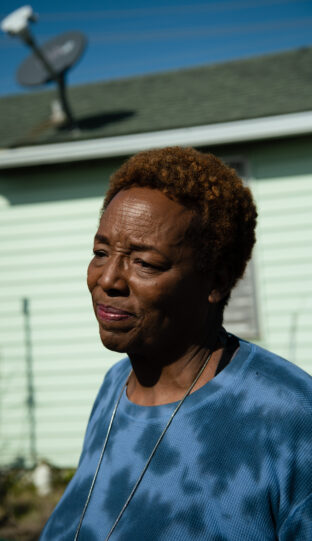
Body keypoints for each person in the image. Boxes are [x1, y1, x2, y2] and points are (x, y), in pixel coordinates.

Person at [40, 147, 312, 540]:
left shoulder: (289, 419)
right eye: (101, 252)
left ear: (215, 282)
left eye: (145, 263)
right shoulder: (115, 388)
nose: (109, 279)